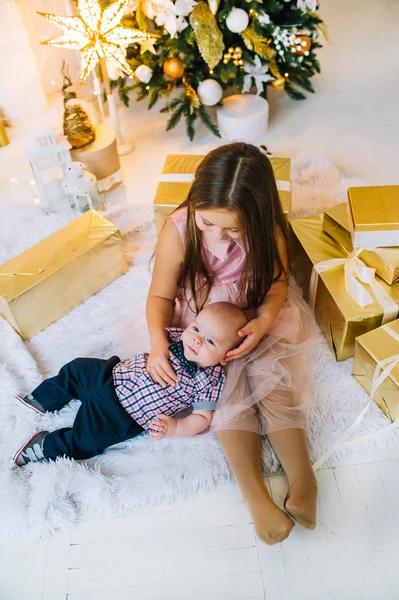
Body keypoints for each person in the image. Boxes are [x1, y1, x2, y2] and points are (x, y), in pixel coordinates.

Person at [146, 142, 318, 545]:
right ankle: (255, 496)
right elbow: (159, 297)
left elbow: (277, 283)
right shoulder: (180, 228)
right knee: (228, 393)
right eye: (208, 224)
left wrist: (264, 319)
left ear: (255, 216)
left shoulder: (266, 230)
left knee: (273, 383)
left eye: (232, 229)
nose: (218, 235)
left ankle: (303, 477)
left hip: (253, 315)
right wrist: (157, 344)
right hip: (204, 322)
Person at [13, 302, 248, 467]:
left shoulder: (209, 380)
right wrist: (176, 316)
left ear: (225, 356)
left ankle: (46, 446)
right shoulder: (178, 337)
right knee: (76, 369)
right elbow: (163, 331)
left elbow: (202, 417)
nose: (197, 338)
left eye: (210, 341)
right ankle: (43, 398)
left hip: (121, 415)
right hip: (111, 375)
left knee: (87, 441)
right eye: (196, 328)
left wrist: (175, 428)